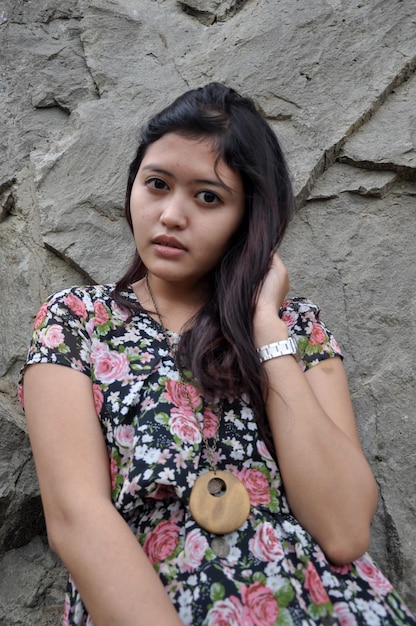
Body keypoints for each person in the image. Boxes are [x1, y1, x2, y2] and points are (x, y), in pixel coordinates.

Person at [19, 83, 415, 626]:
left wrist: (265, 327)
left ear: (247, 218)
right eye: (156, 184)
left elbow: (345, 529)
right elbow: (76, 518)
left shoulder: (297, 329)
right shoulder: (76, 321)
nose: (172, 215)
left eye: (208, 196)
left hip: (322, 605)